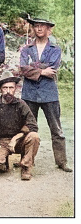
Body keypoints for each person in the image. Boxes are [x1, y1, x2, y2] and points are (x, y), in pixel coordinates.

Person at [19, 17, 72, 172]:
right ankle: (26, 159)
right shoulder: (26, 49)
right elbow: (23, 68)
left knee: (56, 128)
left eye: (42, 26)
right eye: (36, 26)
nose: (39, 29)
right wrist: (42, 70)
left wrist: (33, 68)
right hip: (29, 94)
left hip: (49, 93)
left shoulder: (55, 49)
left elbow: (53, 68)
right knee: (28, 127)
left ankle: (61, 161)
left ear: (49, 30)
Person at [0, 71, 40, 180]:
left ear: (15, 89)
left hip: (19, 140)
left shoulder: (21, 104)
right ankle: (3, 164)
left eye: (11, 88)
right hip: (1, 141)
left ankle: (26, 167)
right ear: (0, 89)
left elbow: (33, 125)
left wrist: (16, 138)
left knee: (34, 136)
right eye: (5, 88)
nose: (8, 91)